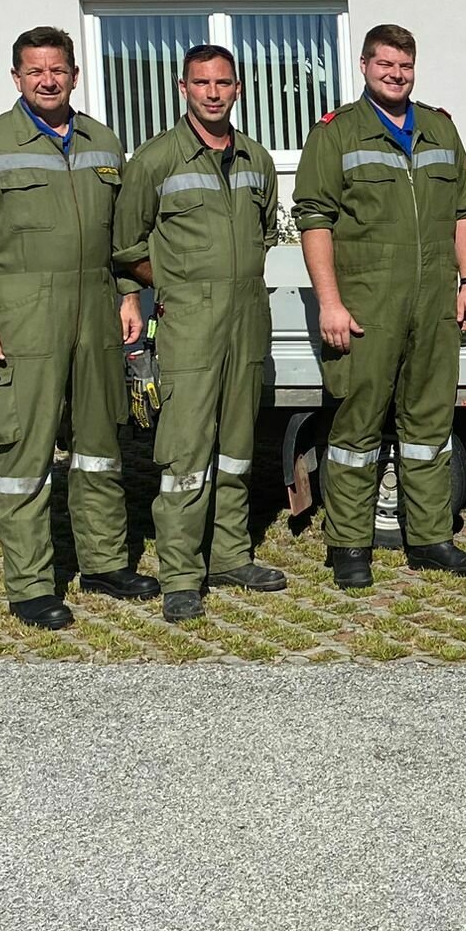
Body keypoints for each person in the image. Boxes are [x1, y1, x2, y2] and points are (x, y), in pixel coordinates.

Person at [0, 26, 159, 628]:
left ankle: (106, 564)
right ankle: (32, 585)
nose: (47, 79)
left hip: (96, 308)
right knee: (26, 451)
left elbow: (122, 237)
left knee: (99, 446)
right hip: (21, 312)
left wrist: (129, 294)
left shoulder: (105, 143)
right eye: (34, 71)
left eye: (57, 69)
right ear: (16, 78)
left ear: (74, 75)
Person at [292, 24, 466, 587]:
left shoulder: (440, 129)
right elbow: (314, 219)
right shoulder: (336, 133)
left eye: (405, 66)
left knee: (429, 425)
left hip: (432, 306)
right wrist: (329, 301)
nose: (396, 75)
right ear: (363, 66)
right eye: (385, 65)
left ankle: (429, 539)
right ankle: (349, 546)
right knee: (357, 427)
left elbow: (464, 209)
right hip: (366, 306)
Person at [113, 44, 288, 623]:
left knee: (237, 446)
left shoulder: (256, 159)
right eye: (201, 82)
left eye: (223, 82)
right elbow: (126, 245)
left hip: (246, 318)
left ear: (239, 88)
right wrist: (175, 282)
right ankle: (182, 573)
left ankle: (230, 555)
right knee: (185, 449)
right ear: (181, 87)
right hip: (188, 321)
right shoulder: (156, 160)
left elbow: (265, 231)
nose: (213, 92)